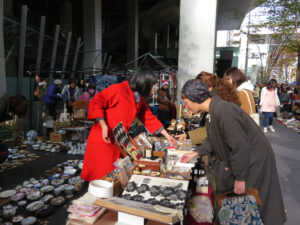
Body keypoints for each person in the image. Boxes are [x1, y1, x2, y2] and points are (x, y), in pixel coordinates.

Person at [180, 79, 286, 225]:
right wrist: (196, 153)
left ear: (195, 99)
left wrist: (240, 177)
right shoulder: (214, 109)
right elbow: (213, 139)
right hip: (246, 158)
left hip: (254, 160)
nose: (186, 106)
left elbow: (239, 145)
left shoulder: (223, 110)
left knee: (252, 201)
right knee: (243, 203)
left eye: (187, 102)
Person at [81, 67, 176, 182]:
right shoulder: (118, 89)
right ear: (144, 83)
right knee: (102, 174)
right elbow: (96, 101)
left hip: (121, 137)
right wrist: (103, 125)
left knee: (119, 174)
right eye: (152, 85)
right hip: (104, 136)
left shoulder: (139, 98)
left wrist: (167, 135)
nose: (154, 89)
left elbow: (148, 117)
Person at [176, 72, 240, 144]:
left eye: (200, 87)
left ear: (209, 87)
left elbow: (237, 143)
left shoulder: (220, 107)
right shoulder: (217, 102)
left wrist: (188, 136)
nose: (198, 91)